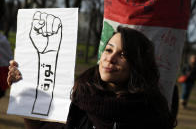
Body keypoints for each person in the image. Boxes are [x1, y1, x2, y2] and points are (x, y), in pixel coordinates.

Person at [8, 26, 174, 129]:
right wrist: (24, 89)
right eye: (108, 50)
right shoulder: (80, 96)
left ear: (138, 64)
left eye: (122, 54)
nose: (110, 58)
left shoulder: (152, 114)